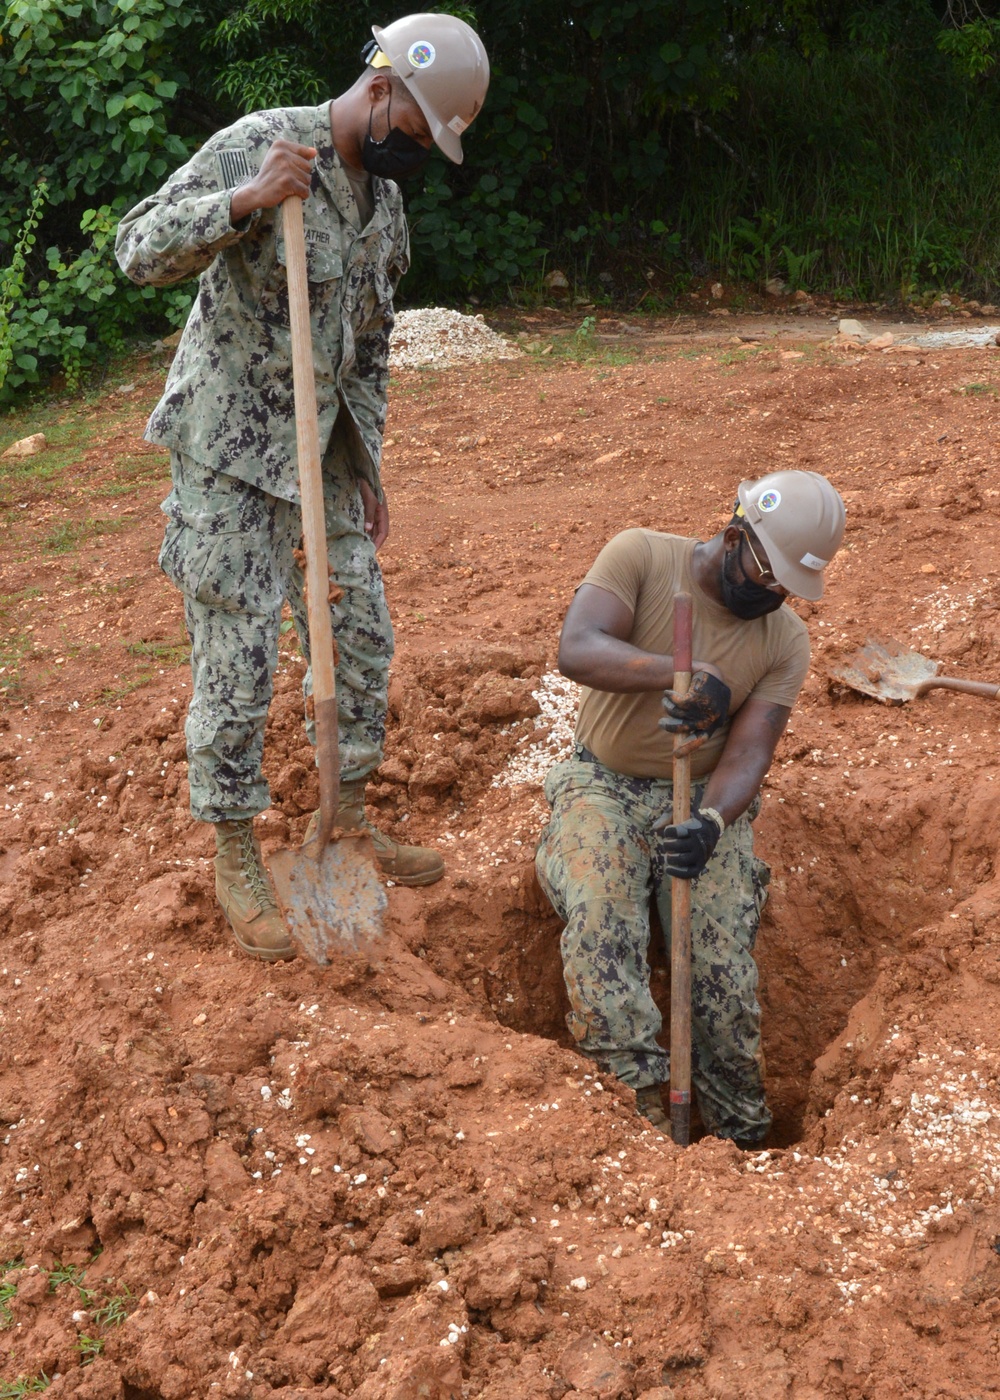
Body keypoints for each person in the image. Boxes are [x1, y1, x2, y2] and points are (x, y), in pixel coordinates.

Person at [115, 14, 490, 961]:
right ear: (380, 90)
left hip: (320, 459)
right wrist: (240, 203)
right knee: (237, 663)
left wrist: (363, 461)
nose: (416, 156)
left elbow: (369, 351)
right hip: (231, 456)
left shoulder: (386, 211)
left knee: (361, 633)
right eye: (414, 134)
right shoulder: (262, 143)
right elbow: (136, 249)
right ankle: (235, 848)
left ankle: (347, 814)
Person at [535, 470, 846, 1144]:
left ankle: (738, 1130)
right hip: (603, 783)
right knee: (601, 921)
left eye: (789, 588)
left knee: (721, 971)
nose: (776, 598)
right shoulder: (642, 555)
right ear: (735, 537)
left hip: (702, 798)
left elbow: (751, 751)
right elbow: (578, 647)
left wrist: (711, 821)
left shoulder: (784, 640)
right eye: (769, 579)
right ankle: (637, 1119)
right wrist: (680, 675)